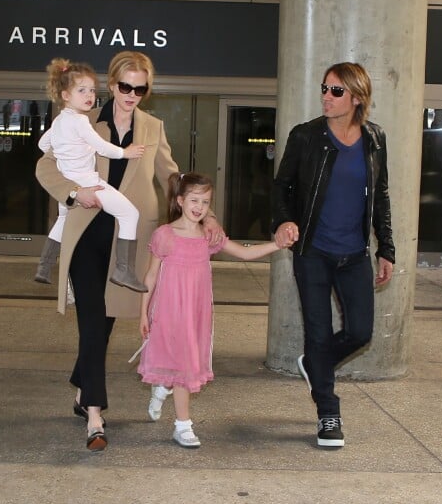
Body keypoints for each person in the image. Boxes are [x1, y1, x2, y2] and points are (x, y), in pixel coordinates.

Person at [36, 51, 224, 452]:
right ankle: (94, 413)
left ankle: (80, 385)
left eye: (140, 88)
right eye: (125, 86)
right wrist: (75, 192)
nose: (132, 94)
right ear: (112, 83)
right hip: (86, 232)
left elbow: (173, 178)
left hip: (129, 238)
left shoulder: (152, 127)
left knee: (103, 324)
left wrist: (204, 214)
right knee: (91, 317)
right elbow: (45, 167)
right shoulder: (83, 120)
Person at [272, 62, 395, 448]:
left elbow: (382, 196)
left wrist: (386, 248)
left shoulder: (375, 139)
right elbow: (281, 188)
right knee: (320, 332)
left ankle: (314, 364)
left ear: (357, 98)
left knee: (360, 332)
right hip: (313, 252)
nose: (327, 96)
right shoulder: (306, 136)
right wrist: (284, 221)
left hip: (355, 253)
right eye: (324, 88)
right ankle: (328, 412)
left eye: (336, 91)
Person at [137, 172, 286, 448]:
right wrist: (143, 312)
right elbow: (151, 276)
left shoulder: (209, 236)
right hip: (169, 310)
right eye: (194, 200)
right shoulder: (165, 235)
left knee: (183, 362)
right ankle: (176, 413)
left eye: (205, 202)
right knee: (179, 362)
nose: (199, 207)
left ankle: (170, 402)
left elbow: (242, 253)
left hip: (196, 312)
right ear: (180, 201)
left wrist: (275, 245)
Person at [34, 58, 146, 292]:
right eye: (82, 90)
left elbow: (43, 143)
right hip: (87, 182)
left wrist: (68, 152)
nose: (89, 95)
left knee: (62, 221)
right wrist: (125, 153)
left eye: (93, 90)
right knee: (130, 214)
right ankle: (123, 270)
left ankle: (44, 267)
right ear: (66, 95)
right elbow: (101, 146)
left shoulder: (59, 121)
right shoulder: (81, 121)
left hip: (69, 183)